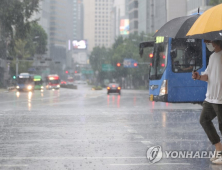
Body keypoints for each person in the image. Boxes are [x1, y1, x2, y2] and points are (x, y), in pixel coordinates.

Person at [192, 40, 222, 164]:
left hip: (220, 98)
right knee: (204, 120)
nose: (207, 44)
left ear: (216, 41)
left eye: (208, 41)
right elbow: (208, 76)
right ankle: (218, 148)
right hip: (210, 97)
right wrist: (199, 77)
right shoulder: (213, 57)